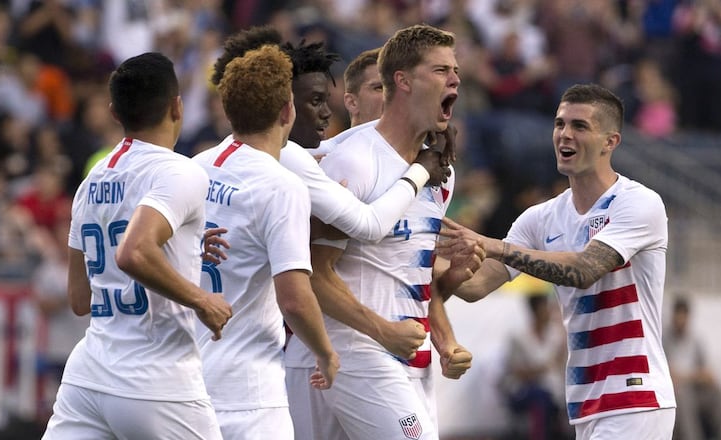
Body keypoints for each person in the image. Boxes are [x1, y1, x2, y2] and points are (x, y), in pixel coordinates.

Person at [438, 83, 677, 439]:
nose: (565, 134)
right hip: (585, 402)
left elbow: (583, 270)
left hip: (635, 395)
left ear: (610, 141)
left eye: (580, 126)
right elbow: (474, 286)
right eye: (559, 124)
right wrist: (422, 256)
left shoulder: (638, 203)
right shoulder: (540, 218)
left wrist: (492, 245)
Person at [287, 24, 476, 440]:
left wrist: (444, 336)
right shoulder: (353, 161)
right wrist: (382, 330)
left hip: (404, 356)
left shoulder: (440, 174)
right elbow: (314, 273)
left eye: (455, 70)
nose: (456, 79)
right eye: (441, 69)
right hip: (354, 349)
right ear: (403, 81)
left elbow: (410, 274)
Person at [42, 52, 232, 440]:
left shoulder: (93, 177)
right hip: (156, 379)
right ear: (177, 106)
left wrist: (185, 248)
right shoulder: (180, 170)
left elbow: (81, 300)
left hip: (89, 377)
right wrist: (201, 298)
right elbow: (133, 251)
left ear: (114, 111)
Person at [192, 43, 340, 439]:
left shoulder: (196, 166)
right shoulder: (281, 186)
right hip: (249, 394)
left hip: (188, 380)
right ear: (287, 111)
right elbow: (293, 298)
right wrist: (325, 354)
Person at [664, 296, 721, 440]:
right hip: (677, 394)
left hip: (696, 389)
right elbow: (671, 375)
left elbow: (707, 374)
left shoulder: (696, 340)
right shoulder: (665, 339)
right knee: (684, 397)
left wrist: (690, 376)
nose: (681, 321)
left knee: (719, 394)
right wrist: (692, 376)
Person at [502, 292, 571, 440]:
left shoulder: (557, 335)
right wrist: (542, 369)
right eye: (545, 308)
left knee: (554, 399)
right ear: (535, 310)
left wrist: (537, 369)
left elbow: (562, 366)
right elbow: (514, 371)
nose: (548, 312)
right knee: (540, 397)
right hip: (525, 392)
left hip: (554, 390)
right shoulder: (519, 337)